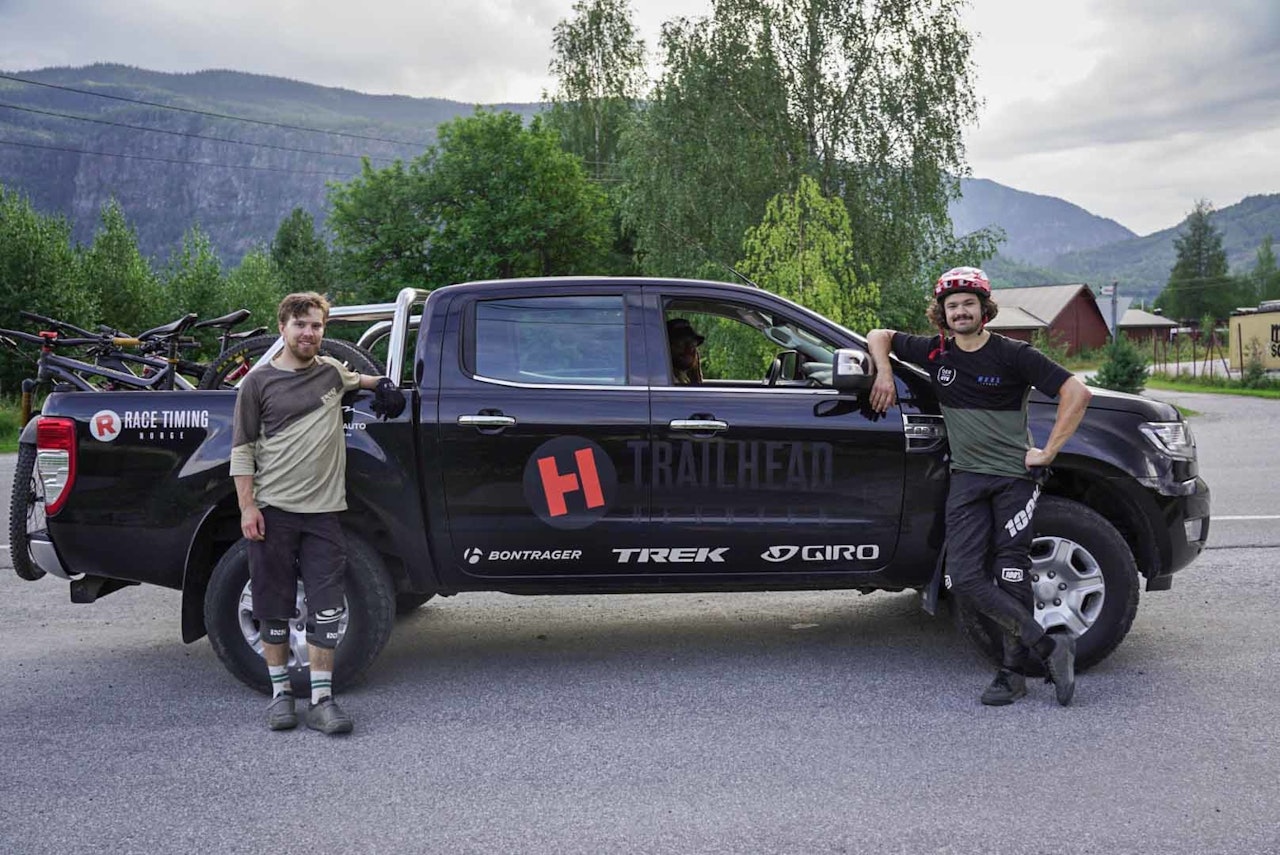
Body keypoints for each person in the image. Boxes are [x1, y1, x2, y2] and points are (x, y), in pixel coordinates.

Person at [866, 267, 1092, 706]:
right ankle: (1047, 646)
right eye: (952, 306)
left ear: (984, 309)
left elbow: (1076, 393)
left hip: (1014, 480)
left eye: (969, 303)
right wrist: (884, 374)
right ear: (942, 314)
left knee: (1010, 574)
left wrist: (1047, 452)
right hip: (966, 479)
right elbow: (880, 334)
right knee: (965, 577)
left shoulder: (1014, 354)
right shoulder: (936, 353)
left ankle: (1012, 674)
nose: (961, 311)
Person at [230, 291, 405, 734]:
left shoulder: (330, 373)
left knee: (326, 610)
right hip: (274, 512)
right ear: (283, 327)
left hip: (325, 514)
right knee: (273, 608)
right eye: (300, 325)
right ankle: (280, 696)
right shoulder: (257, 383)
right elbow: (241, 450)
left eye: (316, 326)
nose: (309, 333)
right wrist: (247, 507)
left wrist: (382, 385)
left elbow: (359, 381)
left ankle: (323, 701)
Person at [667, 318, 705, 385]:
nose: (688, 350)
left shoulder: (683, 380)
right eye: (680, 343)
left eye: (692, 344)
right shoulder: (666, 381)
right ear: (667, 346)